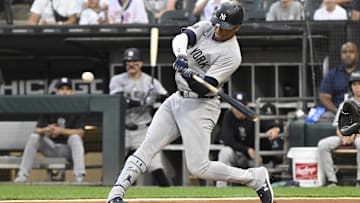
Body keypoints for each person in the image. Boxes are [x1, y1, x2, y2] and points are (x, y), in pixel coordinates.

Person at [107, 1, 274, 203]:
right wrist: (181, 57)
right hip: (177, 99)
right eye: (218, 24)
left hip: (201, 106)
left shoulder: (231, 55)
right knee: (148, 146)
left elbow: (203, 87)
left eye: (226, 27)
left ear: (237, 28)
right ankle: (116, 194)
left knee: (198, 167)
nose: (219, 30)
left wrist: (189, 75)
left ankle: (255, 178)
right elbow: (181, 38)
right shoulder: (207, 26)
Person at [109, 48, 170, 186]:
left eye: (135, 61)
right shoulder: (117, 80)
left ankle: (168, 196)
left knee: (155, 164)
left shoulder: (150, 81)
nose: (131, 64)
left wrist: (156, 97)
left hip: (143, 130)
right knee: (115, 166)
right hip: (122, 130)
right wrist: (143, 102)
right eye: (128, 61)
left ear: (141, 63)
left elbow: (167, 98)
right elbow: (119, 100)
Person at [14, 77, 86, 183]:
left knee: (75, 137)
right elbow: (37, 130)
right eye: (61, 89)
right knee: (34, 137)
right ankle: (22, 176)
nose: (64, 92)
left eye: (67, 89)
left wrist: (60, 131)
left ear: (72, 92)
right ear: (56, 91)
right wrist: (48, 129)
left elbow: (81, 132)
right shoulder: (49, 106)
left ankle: (79, 178)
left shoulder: (77, 107)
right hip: (50, 147)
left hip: (68, 149)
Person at [216, 91, 281, 187]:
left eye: (241, 105)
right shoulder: (229, 115)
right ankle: (221, 189)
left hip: (255, 156)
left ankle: (260, 190)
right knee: (225, 152)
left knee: (264, 170)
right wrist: (247, 150)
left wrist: (274, 128)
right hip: (239, 154)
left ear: (247, 105)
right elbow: (227, 140)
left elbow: (269, 124)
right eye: (235, 105)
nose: (237, 109)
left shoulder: (253, 114)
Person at [318, 70, 360, 187]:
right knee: (323, 144)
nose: (357, 87)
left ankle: (359, 180)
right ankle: (332, 180)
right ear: (351, 87)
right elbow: (338, 126)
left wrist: (353, 135)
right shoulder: (345, 104)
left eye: (359, 84)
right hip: (344, 136)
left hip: (358, 137)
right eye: (354, 84)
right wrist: (343, 136)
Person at [319, 41, 360, 114]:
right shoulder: (332, 75)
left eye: (351, 52)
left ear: (357, 55)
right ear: (341, 55)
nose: (347, 54)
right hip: (337, 114)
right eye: (344, 52)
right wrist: (337, 112)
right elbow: (324, 97)